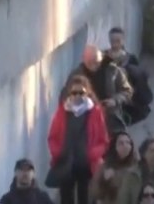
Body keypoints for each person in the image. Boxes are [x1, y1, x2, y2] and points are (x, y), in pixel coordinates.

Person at [46, 74, 110, 204]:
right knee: (66, 198)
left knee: (85, 198)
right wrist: (58, 152)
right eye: (74, 92)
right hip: (66, 162)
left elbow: (104, 140)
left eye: (81, 92)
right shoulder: (62, 111)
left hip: (87, 164)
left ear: (87, 93)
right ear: (70, 93)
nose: (77, 96)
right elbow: (52, 136)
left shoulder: (95, 112)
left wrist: (92, 154)